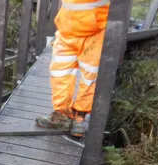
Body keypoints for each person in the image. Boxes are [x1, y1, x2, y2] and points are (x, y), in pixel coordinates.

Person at [36, 0, 110, 137]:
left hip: (94, 31)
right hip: (67, 28)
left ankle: (79, 118)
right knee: (59, 73)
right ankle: (62, 115)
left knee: (90, 76)